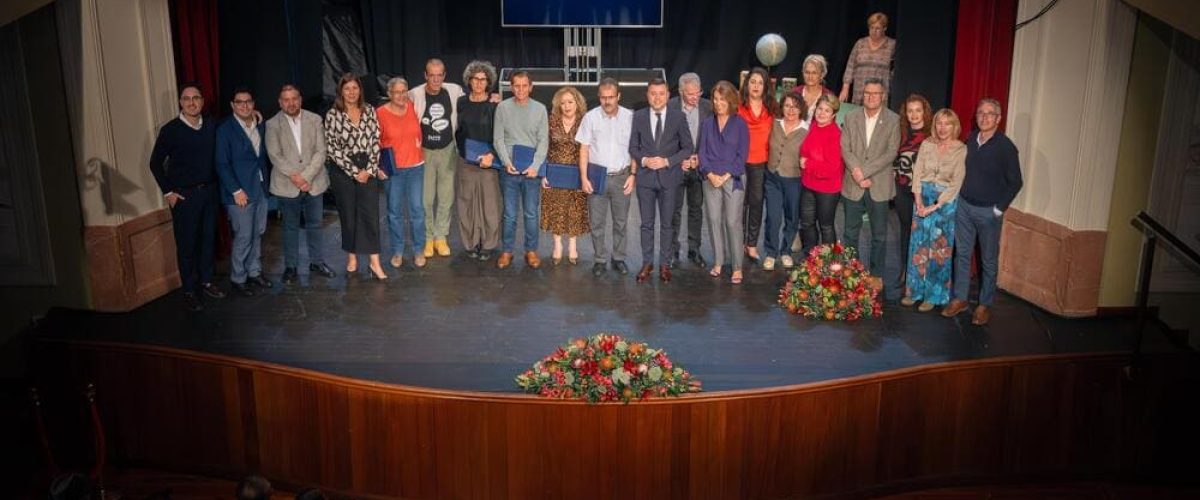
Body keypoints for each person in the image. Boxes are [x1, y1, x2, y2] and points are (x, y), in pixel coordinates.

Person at [942, 98, 1024, 326]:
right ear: (976, 116)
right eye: (981, 113)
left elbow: (1016, 182)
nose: (985, 117)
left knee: (988, 260)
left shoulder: (1006, 147)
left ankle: (984, 304)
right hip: (965, 207)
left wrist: (998, 209)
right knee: (963, 254)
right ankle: (960, 299)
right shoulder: (969, 139)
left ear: (998, 119)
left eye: (990, 114)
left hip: (989, 212)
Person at [148, 82, 225, 311]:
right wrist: (169, 192)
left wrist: (255, 117)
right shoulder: (170, 130)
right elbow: (154, 163)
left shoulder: (211, 125)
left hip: (209, 192)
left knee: (207, 240)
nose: (192, 102)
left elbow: (233, 128)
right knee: (187, 245)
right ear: (181, 103)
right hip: (184, 197)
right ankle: (190, 290)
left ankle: (207, 281)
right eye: (187, 98)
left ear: (202, 101)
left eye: (196, 98)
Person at [266, 84, 337, 285]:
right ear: (280, 102)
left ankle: (316, 262)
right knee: (290, 227)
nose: (291, 103)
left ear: (300, 99)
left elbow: (321, 151)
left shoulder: (314, 120)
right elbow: (275, 155)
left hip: (314, 183)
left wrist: (306, 177)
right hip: (287, 185)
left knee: (315, 224)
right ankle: (291, 267)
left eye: (294, 98)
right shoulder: (273, 124)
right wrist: (297, 178)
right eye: (286, 99)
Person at [629, 77, 694, 283]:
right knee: (646, 224)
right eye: (653, 94)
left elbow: (688, 147)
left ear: (668, 95)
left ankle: (665, 265)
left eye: (661, 94)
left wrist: (667, 161)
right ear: (647, 95)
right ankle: (647, 263)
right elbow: (633, 147)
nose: (657, 98)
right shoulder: (638, 116)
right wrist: (646, 160)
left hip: (670, 178)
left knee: (667, 224)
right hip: (646, 179)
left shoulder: (678, 117)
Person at [325, 72, 387, 280]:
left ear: (360, 90)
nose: (351, 92)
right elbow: (332, 148)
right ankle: (352, 258)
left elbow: (375, 141)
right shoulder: (333, 114)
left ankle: (374, 262)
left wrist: (368, 170)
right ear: (341, 91)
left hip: (367, 167)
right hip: (343, 171)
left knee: (370, 216)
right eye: (347, 88)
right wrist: (353, 171)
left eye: (355, 88)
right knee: (349, 216)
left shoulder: (369, 110)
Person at [903, 108, 965, 312]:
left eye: (947, 123)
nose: (942, 127)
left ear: (954, 126)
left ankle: (933, 295)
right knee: (918, 246)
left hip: (944, 202)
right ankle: (915, 292)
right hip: (922, 198)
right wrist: (919, 201)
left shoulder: (960, 149)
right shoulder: (927, 144)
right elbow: (917, 173)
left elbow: (956, 183)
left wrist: (935, 206)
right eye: (939, 123)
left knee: (938, 250)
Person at [840, 78, 900, 287]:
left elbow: (891, 152)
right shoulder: (850, 117)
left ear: (883, 96)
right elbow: (845, 148)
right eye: (867, 93)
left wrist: (863, 172)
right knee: (849, 233)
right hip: (852, 184)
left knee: (879, 235)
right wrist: (856, 173)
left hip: (879, 185)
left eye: (875, 94)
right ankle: (851, 272)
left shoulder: (893, 120)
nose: (870, 97)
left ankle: (876, 275)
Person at [215, 86, 272, 297]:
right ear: (232, 105)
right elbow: (221, 164)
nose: (244, 105)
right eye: (239, 102)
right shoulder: (225, 130)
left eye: (248, 101)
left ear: (253, 104)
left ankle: (254, 272)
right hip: (239, 194)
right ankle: (238, 278)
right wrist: (236, 190)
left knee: (258, 233)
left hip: (259, 188)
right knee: (244, 236)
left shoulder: (259, 125)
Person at [578, 77, 635, 278]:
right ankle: (600, 259)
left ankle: (618, 257)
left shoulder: (630, 117)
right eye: (603, 97)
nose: (607, 101)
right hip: (597, 177)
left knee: (621, 223)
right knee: (597, 223)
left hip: (622, 176)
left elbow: (635, 149)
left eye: (611, 97)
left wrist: (633, 175)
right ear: (599, 97)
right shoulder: (590, 118)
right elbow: (584, 149)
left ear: (618, 96)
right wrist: (584, 178)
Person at [493, 70, 548, 269]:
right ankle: (507, 251)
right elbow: (498, 138)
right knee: (509, 213)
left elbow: (543, 142)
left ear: (531, 87)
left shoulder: (540, 109)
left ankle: (531, 250)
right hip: (509, 170)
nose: (521, 90)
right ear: (511, 86)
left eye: (525, 86)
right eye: (517, 85)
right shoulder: (502, 108)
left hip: (532, 173)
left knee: (531, 213)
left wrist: (535, 166)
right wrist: (506, 162)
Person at [410, 58, 464, 258]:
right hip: (424, 152)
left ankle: (441, 236)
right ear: (425, 76)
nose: (435, 79)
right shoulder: (414, 94)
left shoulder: (454, 91)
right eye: (431, 75)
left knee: (446, 197)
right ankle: (428, 237)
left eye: (439, 75)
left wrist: (491, 98)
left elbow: (471, 102)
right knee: (426, 198)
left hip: (447, 150)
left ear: (444, 75)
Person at [698, 81, 750, 284]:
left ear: (731, 101)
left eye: (723, 99)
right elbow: (702, 152)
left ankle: (737, 266)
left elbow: (742, 155)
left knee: (732, 222)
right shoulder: (707, 124)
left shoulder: (740, 124)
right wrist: (710, 174)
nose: (719, 103)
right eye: (716, 99)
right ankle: (718, 261)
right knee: (713, 221)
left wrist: (726, 176)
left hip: (733, 178)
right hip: (710, 178)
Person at [455, 60, 503, 261]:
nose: (479, 83)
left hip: (488, 160)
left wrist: (492, 154)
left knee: (490, 205)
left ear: (489, 82)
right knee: (466, 204)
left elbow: (500, 133)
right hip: (466, 160)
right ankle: (471, 243)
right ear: (469, 80)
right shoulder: (462, 102)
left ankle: (489, 244)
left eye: (483, 80)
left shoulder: (495, 105)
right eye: (475, 79)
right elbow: (458, 129)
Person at [378, 77, 427, 270]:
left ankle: (418, 250)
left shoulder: (414, 108)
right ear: (389, 94)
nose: (401, 95)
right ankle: (397, 252)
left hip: (416, 167)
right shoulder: (380, 113)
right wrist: (378, 167)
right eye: (396, 92)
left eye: (403, 91)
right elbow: (375, 142)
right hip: (394, 171)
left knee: (417, 211)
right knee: (394, 213)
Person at [540, 86, 590, 265]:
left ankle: (573, 246)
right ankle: (557, 245)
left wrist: (586, 175)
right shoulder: (551, 121)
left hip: (577, 173)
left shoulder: (585, 121)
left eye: (570, 102)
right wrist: (543, 173)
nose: (567, 106)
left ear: (577, 103)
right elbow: (543, 147)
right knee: (556, 210)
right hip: (554, 173)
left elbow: (590, 150)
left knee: (574, 210)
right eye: (563, 103)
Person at [667, 72, 712, 269]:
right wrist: (679, 160)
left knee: (696, 210)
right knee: (674, 211)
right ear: (680, 91)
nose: (695, 97)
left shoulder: (708, 107)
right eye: (690, 94)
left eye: (698, 92)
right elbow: (665, 140)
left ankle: (694, 250)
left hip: (698, 167)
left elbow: (712, 138)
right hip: (677, 167)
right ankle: (673, 251)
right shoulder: (670, 107)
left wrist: (699, 158)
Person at [762, 92, 808, 270]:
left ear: (801, 109)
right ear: (782, 107)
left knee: (792, 217)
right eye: (787, 105)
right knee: (773, 217)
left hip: (794, 180)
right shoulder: (774, 124)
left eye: (795, 107)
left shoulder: (806, 130)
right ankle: (771, 253)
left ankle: (786, 251)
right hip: (773, 178)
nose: (791, 110)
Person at [893, 94, 933, 288]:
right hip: (902, 190)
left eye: (918, 110)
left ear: (924, 112)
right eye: (910, 111)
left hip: (922, 194)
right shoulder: (901, 133)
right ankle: (905, 271)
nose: (914, 114)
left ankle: (921, 275)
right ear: (905, 113)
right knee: (905, 232)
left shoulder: (932, 136)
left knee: (922, 234)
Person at [738, 67, 778, 264]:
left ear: (766, 87)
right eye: (752, 82)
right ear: (747, 84)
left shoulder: (772, 108)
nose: (755, 86)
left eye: (760, 83)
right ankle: (738, 242)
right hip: (740, 162)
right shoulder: (738, 106)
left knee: (756, 203)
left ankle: (751, 244)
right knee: (739, 205)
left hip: (761, 163)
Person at [799, 94, 843, 256]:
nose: (822, 113)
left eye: (827, 110)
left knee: (826, 226)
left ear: (833, 115)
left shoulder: (835, 134)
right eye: (820, 109)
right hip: (808, 185)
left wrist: (807, 164)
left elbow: (831, 168)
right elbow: (804, 151)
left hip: (828, 189)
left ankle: (829, 263)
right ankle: (810, 260)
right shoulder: (813, 127)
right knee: (807, 223)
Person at [840, 12, 897, 105]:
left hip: (879, 93)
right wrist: (845, 88)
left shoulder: (892, 45)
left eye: (878, 28)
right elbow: (850, 66)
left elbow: (896, 70)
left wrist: (888, 84)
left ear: (885, 28)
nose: (874, 31)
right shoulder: (860, 43)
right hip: (859, 92)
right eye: (871, 27)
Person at [793, 54, 835, 121]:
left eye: (814, 73)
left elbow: (830, 123)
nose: (810, 76)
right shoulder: (794, 93)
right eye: (807, 72)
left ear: (822, 74)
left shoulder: (828, 96)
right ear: (803, 73)